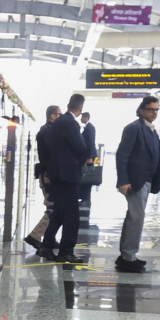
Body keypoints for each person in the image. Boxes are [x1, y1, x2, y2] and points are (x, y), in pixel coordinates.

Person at [114, 95, 160, 272]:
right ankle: (128, 258)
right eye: (151, 109)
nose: (154, 113)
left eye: (157, 110)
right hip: (136, 181)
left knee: (134, 218)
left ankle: (127, 255)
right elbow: (122, 155)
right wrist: (123, 180)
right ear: (142, 110)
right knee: (136, 218)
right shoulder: (133, 128)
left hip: (147, 180)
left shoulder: (150, 129)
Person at [41, 94, 89, 263]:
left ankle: (46, 245)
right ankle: (66, 252)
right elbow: (81, 147)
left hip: (58, 174)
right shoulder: (71, 123)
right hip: (67, 175)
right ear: (80, 108)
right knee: (72, 216)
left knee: (61, 212)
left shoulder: (59, 122)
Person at [24, 105, 61, 252]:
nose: (61, 117)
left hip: (48, 173)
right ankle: (34, 236)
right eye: (59, 114)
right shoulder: (48, 132)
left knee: (54, 207)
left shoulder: (47, 131)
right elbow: (52, 154)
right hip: (48, 175)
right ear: (52, 116)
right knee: (52, 207)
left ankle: (49, 238)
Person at [78, 111, 98, 213]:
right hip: (88, 156)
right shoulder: (88, 127)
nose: (81, 119)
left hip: (89, 157)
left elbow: (90, 143)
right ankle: (85, 197)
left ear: (86, 117)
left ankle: (86, 198)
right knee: (86, 177)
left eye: (82, 117)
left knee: (87, 177)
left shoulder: (89, 128)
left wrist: (89, 157)